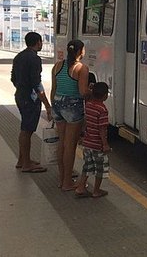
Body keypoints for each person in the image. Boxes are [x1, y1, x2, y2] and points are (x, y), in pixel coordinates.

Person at [51, 39, 90, 191]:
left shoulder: (57, 66)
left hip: (57, 104)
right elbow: (82, 92)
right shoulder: (81, 68)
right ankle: (68, 182)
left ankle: (61, 179)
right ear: (80, 51)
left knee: (62, 142)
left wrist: (51, 107)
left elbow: (54, 89)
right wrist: (91, 92)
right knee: (70, 145)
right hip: (72, 106)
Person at [11, 32, 52, 173]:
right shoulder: (34, 59)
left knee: (25, 128)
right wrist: (47, 104)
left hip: (20, 96)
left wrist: (21, 88)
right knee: (27, 131)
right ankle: (27, 164)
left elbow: (13, 78)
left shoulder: (19, 56)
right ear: (38, 42)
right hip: (30, 98)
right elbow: (37, 83)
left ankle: (22, 160)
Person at [75, 82, 110, 198]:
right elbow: (102, 129)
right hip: (97, 145)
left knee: (87, 166)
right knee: (99, 168)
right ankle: (96, 190)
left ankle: (80, 187)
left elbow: (85, 123)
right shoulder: (102, 110)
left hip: (87, 143)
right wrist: (105, 144)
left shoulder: (89, 105)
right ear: (105, 96)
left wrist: (82, 136)